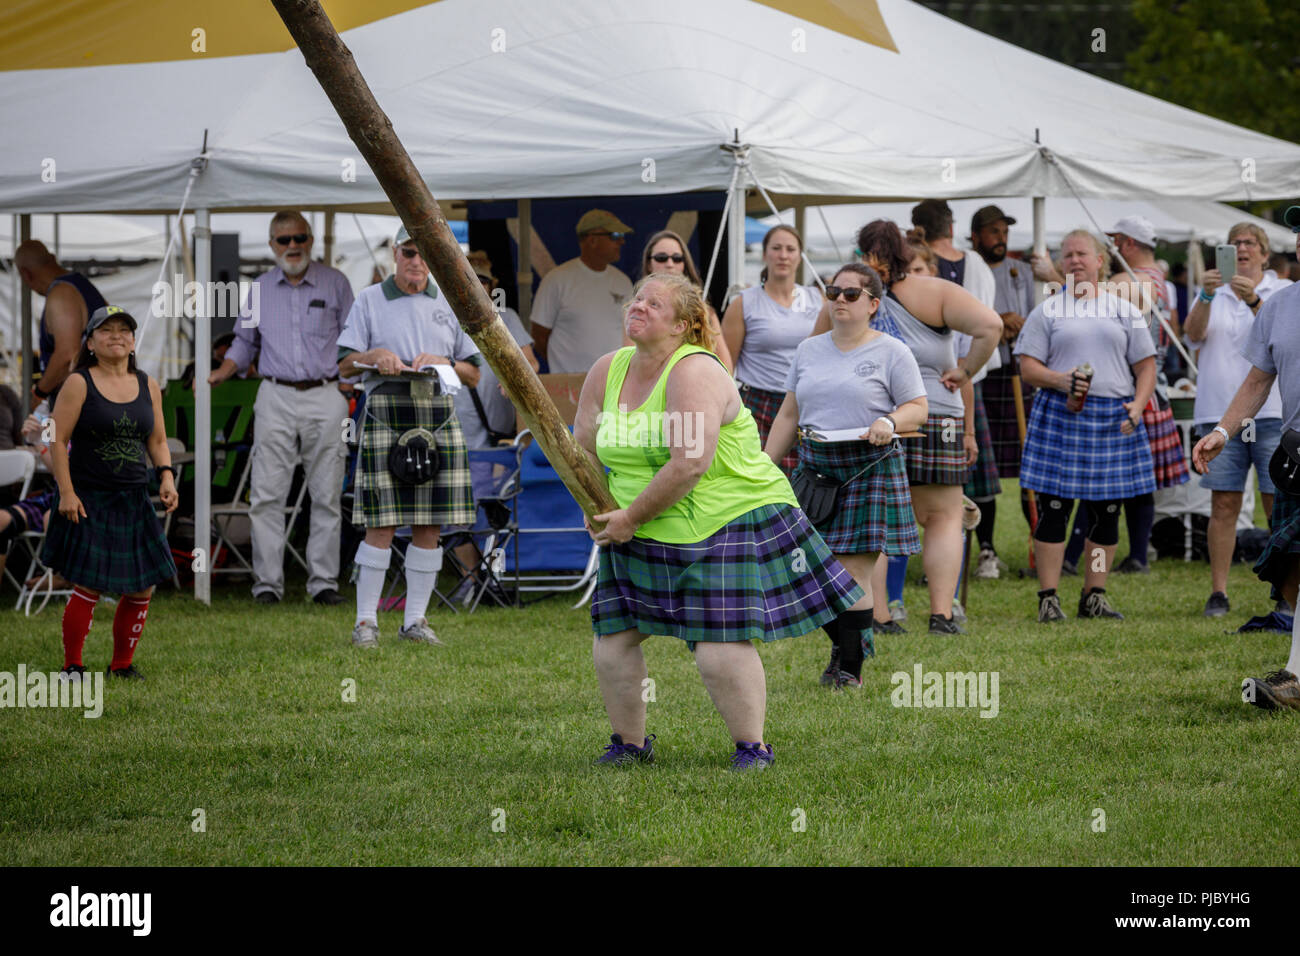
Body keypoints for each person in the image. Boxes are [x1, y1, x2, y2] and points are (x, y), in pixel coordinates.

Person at [577, 273, 864, 769]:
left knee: (717, 643)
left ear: (683, 326)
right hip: (639, 520)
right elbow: (580, 446)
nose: (638, 307)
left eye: (654, 304)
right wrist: (594, 507)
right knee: (615, 637)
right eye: (637, 299)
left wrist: (628, 517)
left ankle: (752, 748)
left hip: (724, 516)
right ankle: (628, 744)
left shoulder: (694, 371)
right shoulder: (608, 369)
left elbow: (689, 463)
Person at [812, 220, 1001, 634]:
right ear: (905, 250)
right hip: (937, 414)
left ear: (863, 253)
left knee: (875, 521)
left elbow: (816, 352)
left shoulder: (849, 295)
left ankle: (879, 617)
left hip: (874, 419)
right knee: (944, 517)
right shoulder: (935, 291)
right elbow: (992, 327)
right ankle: (942, 615)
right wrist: (966, 370)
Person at [765, 263, 927, 687]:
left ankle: (849, 671)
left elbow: (918, 406)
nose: (840, 298)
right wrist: (764, 466)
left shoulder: (892, 351)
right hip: (815, 465)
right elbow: (789, 413)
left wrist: (890, 421)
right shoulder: (809, 349)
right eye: (834, 291)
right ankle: (850, 639)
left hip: (868, 465)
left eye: (851, 294)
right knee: (800, 569)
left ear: (873, 304)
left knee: (852, 574)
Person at [337, 228, 482, 648]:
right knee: (380, 521)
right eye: (410, 252)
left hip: (436, 411)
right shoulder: (369, 300)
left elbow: (473, 373)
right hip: (386, 410)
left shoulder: (451, 300)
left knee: (429, 523)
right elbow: (344, 365)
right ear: (396, 254)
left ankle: (414, 621)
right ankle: (366, 623)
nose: (417, 261)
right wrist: (372, 356)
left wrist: (445, 361)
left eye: (425, 254)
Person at [208, 211, 355, 605]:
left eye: (300, 238)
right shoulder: (257, 289)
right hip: (273, 393)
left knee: (326, 495)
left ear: (311, 241)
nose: (293, 246)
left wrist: (349, 378)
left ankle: (323, 583)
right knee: (267, 495)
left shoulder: (336, 282)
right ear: (272, 245)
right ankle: (267, 586)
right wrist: (222, 371)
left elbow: (354, 340)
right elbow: (243, 341)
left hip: (325, 394)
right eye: (284, 239)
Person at [1015, 230, 1157, 623]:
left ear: (1099, 261)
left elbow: (1146, 366)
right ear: (1061, 264)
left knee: (1107, 513)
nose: (1075, 260)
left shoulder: (1123, 309)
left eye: (1082, 254)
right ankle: (1049, 597)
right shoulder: (1047, 310)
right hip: (1061, 413)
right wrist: (1061, 380)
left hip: (1114, 419)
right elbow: (1028, 368)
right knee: (1055, 510)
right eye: (1068, 255)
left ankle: (1094, 593)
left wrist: (1138, 406)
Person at [1193, 205, 1300, 710]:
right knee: (1290, 562)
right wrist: (1221, 429)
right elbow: (1258, 379)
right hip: (1298, 449)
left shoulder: (1270, 297)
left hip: (1287, 441)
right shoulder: (1283, 307)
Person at [40, 306, 178, 681]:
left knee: (143, 584)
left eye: (124, 330)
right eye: (106, 330)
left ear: (133, 341)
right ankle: (73, 666)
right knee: (88, 580)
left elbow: (158, 439)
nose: (116, 335)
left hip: (133, 496)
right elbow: (57, 438)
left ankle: (121, 665)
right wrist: (66, 492)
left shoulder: (148, 384)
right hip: (88, 495)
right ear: (90, 342)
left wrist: (166, 476)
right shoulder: (79, 383)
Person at [1185, 221, 1292, 617]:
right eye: (1234, 243)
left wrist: (1252, 302)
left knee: (1276, 502)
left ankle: (1285, 592)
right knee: (1224, 504)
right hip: (1217, 411)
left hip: (1270, 413)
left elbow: (1281, 337)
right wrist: (1207, 294)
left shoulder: (1280, 291)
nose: (1241, 248)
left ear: (1265, 254)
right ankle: (1219, 592)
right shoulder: (1211, 291)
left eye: (1250, 243)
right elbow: (1192, 335)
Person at [447, 259, 538, 604]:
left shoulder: (507, 317)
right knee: (455, 508)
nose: (475, 284)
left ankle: (487, 578)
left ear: (492, 282)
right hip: (452, 429)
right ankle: (472, 579)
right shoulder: (439, 315)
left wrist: (513, 378)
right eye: (466, 276)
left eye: (481, 278)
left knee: (492, 507)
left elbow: (532, 364)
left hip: (496, 434)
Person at [1103, 216, 1188, 574]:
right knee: (1137, 482)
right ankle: (1137, 552)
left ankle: (1136, 554)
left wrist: (1054, 278)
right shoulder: (1158, 279)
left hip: (1137, 385)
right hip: (1147, 385)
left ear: (1126, 243)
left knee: (1126, 480)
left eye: (1113, 243)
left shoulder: (1142, 280)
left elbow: (1088, 293)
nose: (1109, 250)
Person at [969, 205, 1036, 578]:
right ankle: (986, 549)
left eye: (1004, 232)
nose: (1001, 238)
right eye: (993, 232)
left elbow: (1034, 316)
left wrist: (1017, 326)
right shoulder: (967, 269)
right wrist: (997, 321)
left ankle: (1040, 545)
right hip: (983, 374)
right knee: (982, 468)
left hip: (1017, 372)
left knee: (1029, 465)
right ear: (976, 235)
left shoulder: (1022, 270)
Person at [722, 225, 822, 474]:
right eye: (776, 248)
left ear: (800, 255)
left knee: (806, 482)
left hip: (806, 402)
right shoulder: (744, 302)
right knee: (758, 478)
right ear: (764, 254)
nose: (783, 255)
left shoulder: (818, 299)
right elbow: (725, 366)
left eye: (790, 249)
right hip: (758, 404)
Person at [529, 210, 634, 374]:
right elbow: (539, 336)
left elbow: (630, 335)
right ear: (592, 240)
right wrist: (566, 367)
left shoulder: (623, 282)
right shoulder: (556, 280)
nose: (621, 241)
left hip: (614, 385)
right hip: (569, 388)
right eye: (614, 235)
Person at [15, 239, 107, 405]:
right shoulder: (83, 286)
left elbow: (67, 355)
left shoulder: (61, 294)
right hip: (97, 396)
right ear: (53, 257)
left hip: (80, 405)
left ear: (25, 274)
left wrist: (38, 394)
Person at [637, 230, 733, 373]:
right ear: (649, 264)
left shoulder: (704, 311)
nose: (670, 264)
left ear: (684, 263)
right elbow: (632, 361)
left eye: (677, 258)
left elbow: (726, 367)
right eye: (661, 257)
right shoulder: (637, 308)